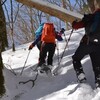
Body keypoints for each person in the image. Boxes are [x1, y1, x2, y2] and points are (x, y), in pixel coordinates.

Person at [72, 8, 100, 88]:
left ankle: (80, 74)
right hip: (98, 46)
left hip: (87, 43)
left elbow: (76, 26)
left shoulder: (91, 17)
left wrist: (74, 23)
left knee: (76, 58)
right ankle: (99, 82)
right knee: (97, 66)